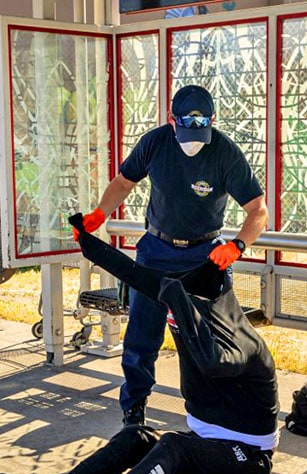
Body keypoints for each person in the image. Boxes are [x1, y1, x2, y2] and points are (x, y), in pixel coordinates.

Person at [0, 216, 279, 474]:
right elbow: (134, 274)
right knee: (135, 435)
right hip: (210, 442)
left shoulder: (244, 343)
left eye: (180, 310)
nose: (173, 317)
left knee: (174, 446)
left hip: (247, 459)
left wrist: (177, 304)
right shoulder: (188, 304)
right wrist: (87, 242)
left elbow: (213, 364)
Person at [73, 84, 268, 427]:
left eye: (202, 130)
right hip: (156, 252)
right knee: (141, 337)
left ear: (213, 121)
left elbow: (258, 210)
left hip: (204, 258)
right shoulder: (156, 142)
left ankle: (214, 411)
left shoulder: (224, 152)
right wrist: (99, 214)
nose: (194, 140)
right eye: (185, 129)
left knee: (209, 340)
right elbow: (123, 181)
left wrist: (236, 245)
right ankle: (134, 406)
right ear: (171, 119)